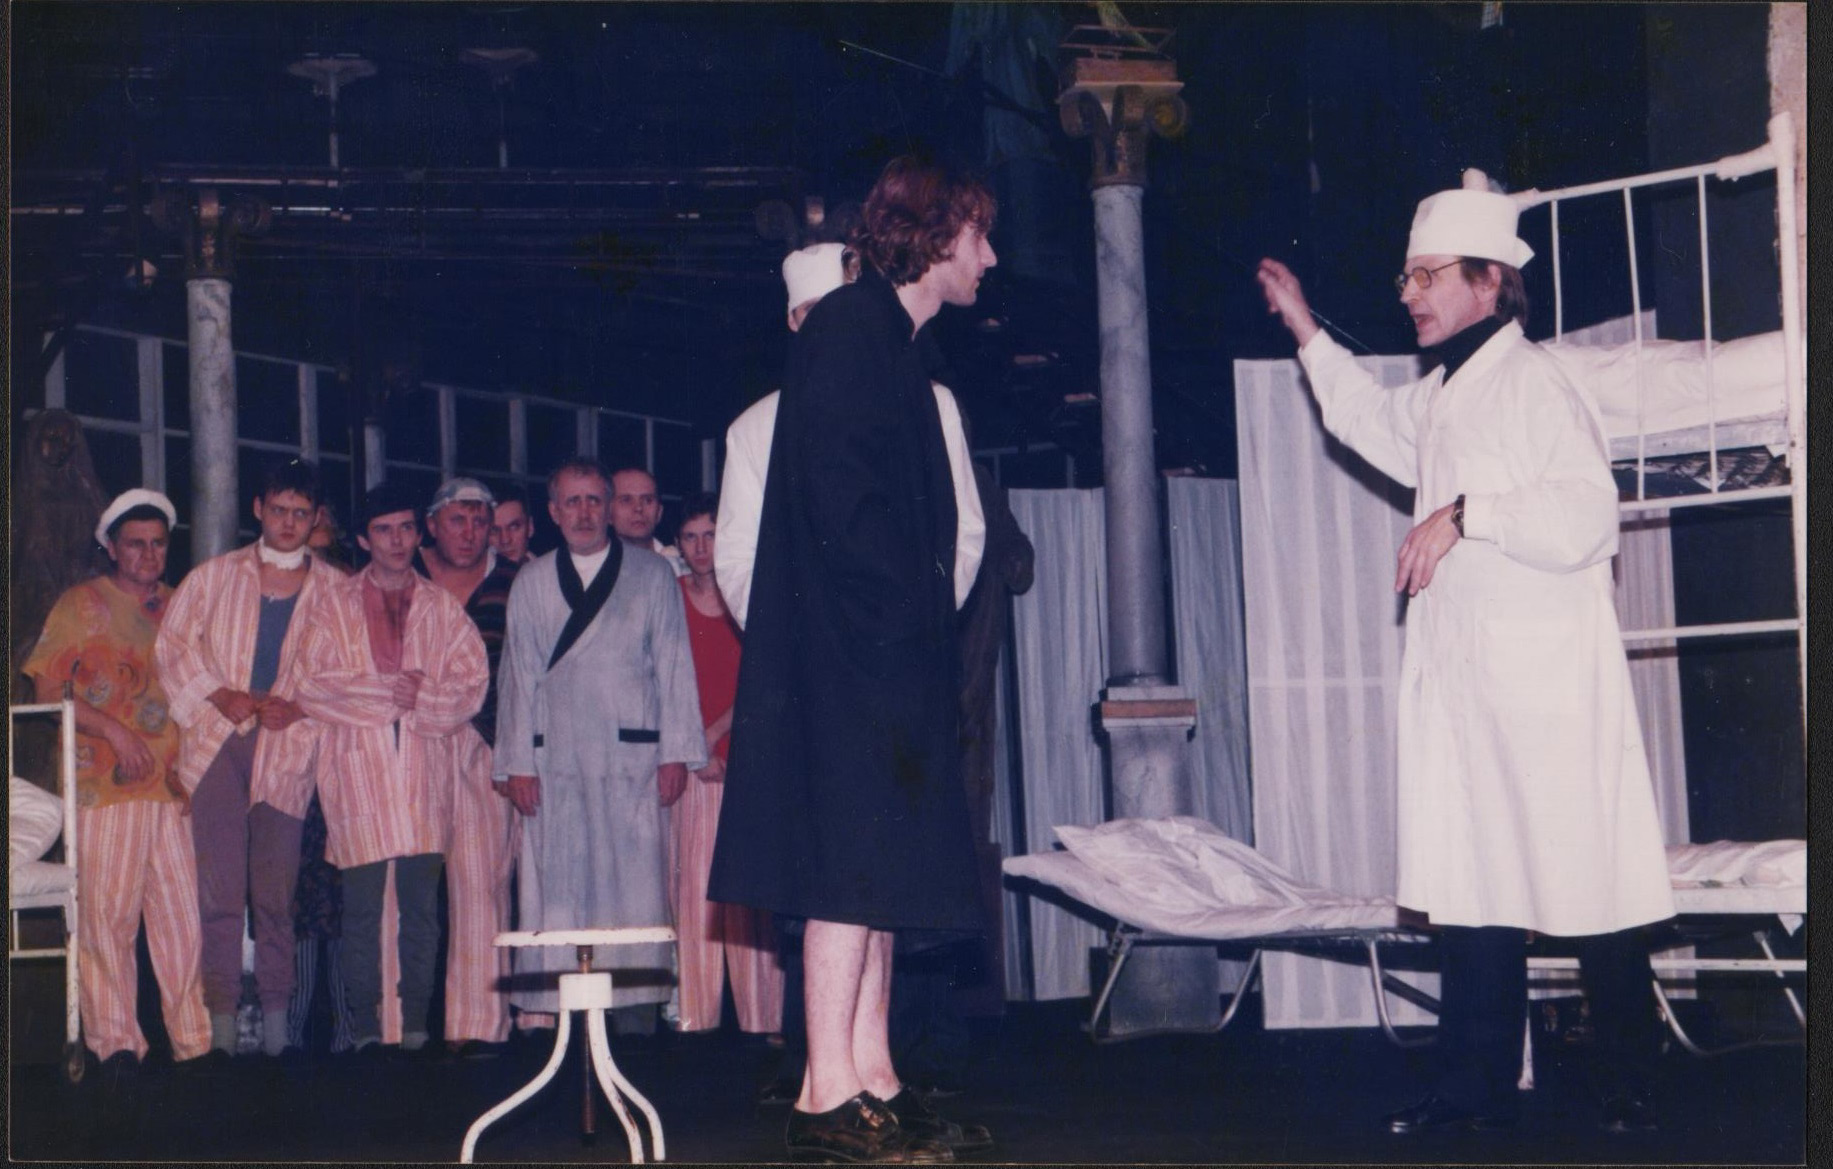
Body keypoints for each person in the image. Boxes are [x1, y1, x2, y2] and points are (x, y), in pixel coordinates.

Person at [1255, 169, 1673, 1135]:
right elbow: (1363, 418)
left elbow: (1586, 515)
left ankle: (1631, 1081)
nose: (1408, 293)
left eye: (1427, 275)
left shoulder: (1536, 383)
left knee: (1587, 878)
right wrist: (1305, 328)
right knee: (1473, 884)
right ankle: (1470, 1084)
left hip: (1545, 688)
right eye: (1406, 277)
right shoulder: (1444, 394)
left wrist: (1464, 512)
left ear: (1489, 282)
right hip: (1466, 686)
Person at [708, 155, 996, 1163]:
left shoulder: (888, 341)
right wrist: (902, 618)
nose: (989, 258)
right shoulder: (847, 331)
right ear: (937, 234)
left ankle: (874, 1075)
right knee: (845, 872)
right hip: (853, 660)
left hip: (881, 655)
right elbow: (843, 510)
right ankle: (825, 1092)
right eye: (980, 237)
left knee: (877, 874)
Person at [494, 459, 705, 1035]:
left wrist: (675, 752)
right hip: (555, 759)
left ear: (609, 508)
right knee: (560, 887)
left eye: (594, 500)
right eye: (573, 501)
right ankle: (568, 1027)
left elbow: (673, 666)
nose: (584, 513)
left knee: (634, 887)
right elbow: (517, 678)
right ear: (553, 512)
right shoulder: (533, 582)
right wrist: (516, 763)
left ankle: (635, 1019)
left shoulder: (652, 575)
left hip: (630, 757)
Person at [293, 481, 488, 1055]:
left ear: (418, 532)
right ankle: (366, 1029)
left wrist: (424, 696)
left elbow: (472, 683)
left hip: (425, 771)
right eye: (384, 530)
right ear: (363, 539)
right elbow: (311, 685)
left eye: (406, 528)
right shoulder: (332, 606)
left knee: (422, 912)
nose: (397, 541)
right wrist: (389, 692)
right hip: (360, 774)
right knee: (361, 912)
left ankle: (418, 1026)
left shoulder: (442, 608)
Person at [22, 489, 211, 1076]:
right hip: (103, 785)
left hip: (169, 788)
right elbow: (47, 691)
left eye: (158, 544)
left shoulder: (180, 606)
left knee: (182, 922)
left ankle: (193, 1044)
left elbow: (200, 695)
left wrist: (191, 769)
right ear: (110, 547)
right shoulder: (80, 604)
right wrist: (115, 733)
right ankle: (115, 1044)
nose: (149, 555)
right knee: (107, 918)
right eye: (135, 544)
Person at [156, 458, 333, 1058]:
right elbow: (173, 647)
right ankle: (224, 1033)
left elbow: (349, 671)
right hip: (218, 743)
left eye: (301, 513)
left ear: (315, 518)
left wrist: (301, 705)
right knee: (220, 892)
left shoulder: (334, 590)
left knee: (275, 895)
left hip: (287, 746)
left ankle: (278, 1035)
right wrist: (219, 693)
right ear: (258, 509)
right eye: (278, 510)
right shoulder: (213, 576)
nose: (288, 523)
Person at [667, 493, 785, 1037]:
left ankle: (765, 1020)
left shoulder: (751, 596)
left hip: (749, 760)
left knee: (752, 895)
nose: (700, 548)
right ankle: (697, 1017)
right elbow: (662, 681)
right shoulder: (669, 599)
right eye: (690, 537)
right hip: (692, 765)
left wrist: (715, 738)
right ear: (678, 544)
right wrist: (696, 749)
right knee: (695, 892)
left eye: (710, 535)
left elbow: (765, 680)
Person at [418, 477, 522, 1056]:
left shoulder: (516, 582)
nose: (470, 532)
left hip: (487, 742)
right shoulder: (406, 580)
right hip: (414, 744)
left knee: (481, 884)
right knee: (406, 888)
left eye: (480, 521)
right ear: (433, 525)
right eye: (457, 520)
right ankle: (398, 1030)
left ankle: (477, 1025)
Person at [608, 466, 687, 577]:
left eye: (647, 500)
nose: (638, 508)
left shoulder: (685, 571)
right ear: (608, 514)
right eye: (626, 500)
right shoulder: (593, 570)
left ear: (659, 512)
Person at [489, 488, 534, 566]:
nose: (505, 540)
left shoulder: (551, 572)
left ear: (530, 527)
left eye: (514, 527)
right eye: (494, 530)